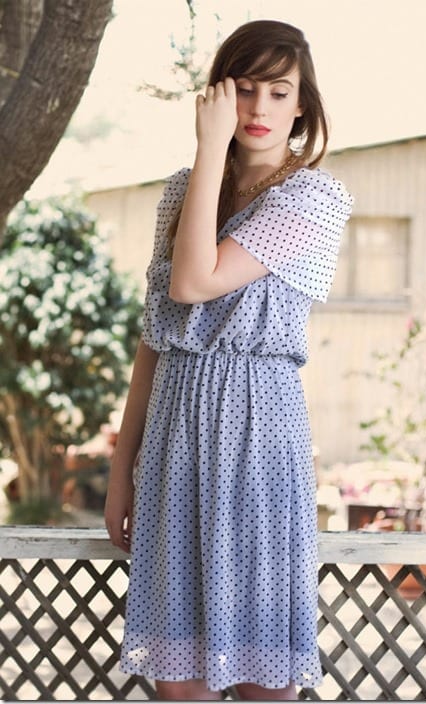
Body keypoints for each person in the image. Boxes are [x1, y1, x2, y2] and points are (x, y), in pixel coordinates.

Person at [104, 19, 352, 701]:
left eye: (279, 92)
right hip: (174, 440)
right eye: (244, 90)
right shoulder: (181, 194)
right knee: (180, 685)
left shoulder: (314, 197)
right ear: (217, 94)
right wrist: (122, 470)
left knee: (261, 679)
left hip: (259, 441)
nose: (260, 110)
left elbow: (196, 282)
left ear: (302, 103)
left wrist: (211, 145)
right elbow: (157, 333)